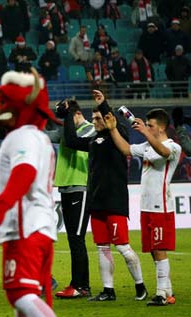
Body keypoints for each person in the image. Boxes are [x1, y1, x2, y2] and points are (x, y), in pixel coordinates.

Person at [0, 68, 88, 317]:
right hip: (37, 225)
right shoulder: (39, 137)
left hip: (25, 224)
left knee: (20, 294)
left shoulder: (23, 136)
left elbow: (24, 173)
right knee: (24, 300)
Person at [63, 90, 147, 302]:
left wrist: (104, 104)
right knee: (102, 247)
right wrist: (67, 115)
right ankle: (108, 290)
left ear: (109, 119)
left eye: (98, 118)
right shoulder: (94, 141)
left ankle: (140, 286)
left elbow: (116, 125)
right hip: (96, 202)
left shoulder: (118, 136)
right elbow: (72, 140)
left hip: (115, 201)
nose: (95, 121)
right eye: (93, 118)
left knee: (123, 247)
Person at [105, 108, 180, 306]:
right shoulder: (147, 146)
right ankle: (167, 291)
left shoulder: (172, 146)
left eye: (150, 125)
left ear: (162, 127)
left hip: (161, 207)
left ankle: (161, 294)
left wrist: (145, 133)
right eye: (146, 125)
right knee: (154, 250)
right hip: (146, 207)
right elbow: (126, 149)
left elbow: (163, 153)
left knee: (160, 248)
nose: (147, 128)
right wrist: (113, 129)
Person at [51, 99, 94, 299]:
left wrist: (68, 116)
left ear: (76, 114)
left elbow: (71, 140)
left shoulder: (90, 129)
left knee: (77, 238)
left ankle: (81, 285)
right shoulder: (68, 129)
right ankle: (77, 284)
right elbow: (49, 136)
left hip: (81, 187)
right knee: (72, 238)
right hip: (66, 188)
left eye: (68, 116)